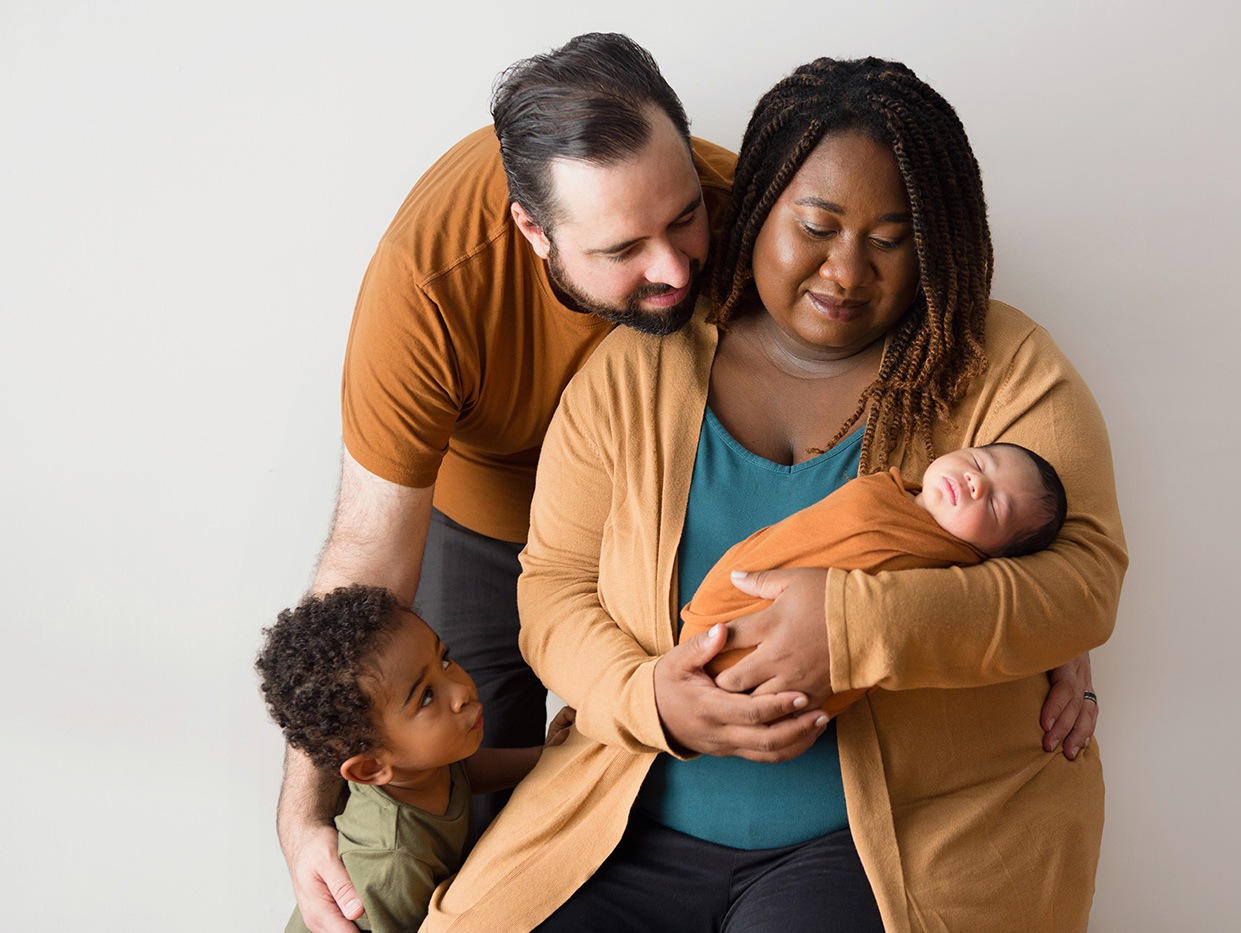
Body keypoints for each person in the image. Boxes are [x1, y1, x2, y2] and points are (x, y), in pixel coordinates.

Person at [285, 33, 1098, 931]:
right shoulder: (502, 316)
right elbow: (482, 577)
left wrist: (909, 614)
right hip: (543, 636)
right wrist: (302, 813)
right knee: (449, 809)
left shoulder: (981, 348)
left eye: (892, 239)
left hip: (869, 836)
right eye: (817, 229)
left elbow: (1081, 580)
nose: (845, 271)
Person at [257, 585, 573, 932]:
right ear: (371, 767)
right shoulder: (393, 863)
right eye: (425, 697)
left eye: (445, 659)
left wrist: (546, 757)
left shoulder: (418, 764)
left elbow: (464, 774)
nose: (461, 691)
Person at [678, 442, 1068, 716]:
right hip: (723, 603)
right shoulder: (888, 490)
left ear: (994, 554)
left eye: (996, 506)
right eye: (979, 462)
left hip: (755, 670)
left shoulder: (941, 570)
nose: (976, 483)